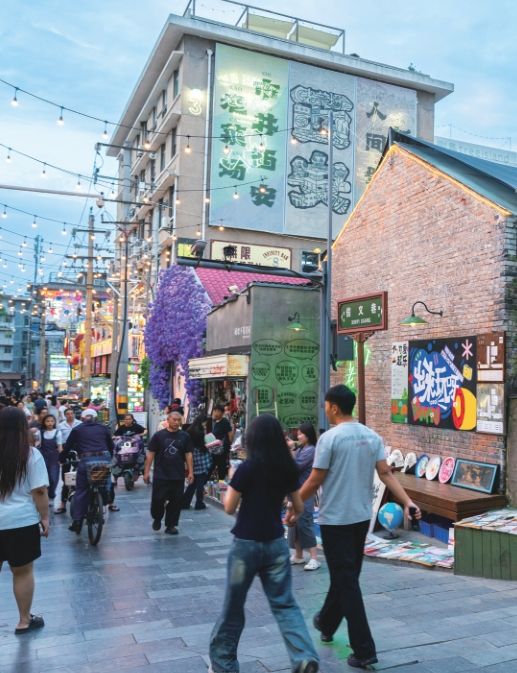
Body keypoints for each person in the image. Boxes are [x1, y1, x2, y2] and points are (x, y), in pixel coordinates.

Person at [286, 385, 421, 670]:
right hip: (360, 519)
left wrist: (295, 505)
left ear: (334, 407)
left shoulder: (330, 438)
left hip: (336, 520)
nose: (324, 409)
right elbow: (386, 474)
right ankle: (326, 621)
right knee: (346, 577)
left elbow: (315, 479)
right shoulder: (372, 436)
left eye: (326, 405)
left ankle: (364, 649)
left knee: (346, 581)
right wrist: (408, 501)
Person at [209, 414, 319, 673]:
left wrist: (232, 480)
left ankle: (223, 664)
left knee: (233, 607)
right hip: (275, 544)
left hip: (245, 545)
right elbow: (298, 506)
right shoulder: (287, 468)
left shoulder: (246, 468)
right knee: (285, 604)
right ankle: (303, 657)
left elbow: (229, 507)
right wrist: (291, 515)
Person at [0, 407, 49, 634]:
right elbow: (39, 491)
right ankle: (23, 620)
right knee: (22, 572)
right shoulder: (30, 455)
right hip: (21, 522)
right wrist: (45, 517)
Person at [63, 408, 115, 533]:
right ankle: (106, 495)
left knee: (81, 489)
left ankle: (77, 521)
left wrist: (61, 458)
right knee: (105, 477)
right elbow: (111, 445)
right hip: (104, 458)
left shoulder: (77, 429)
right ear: (96, 418)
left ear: (82, 418)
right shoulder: (103, 428)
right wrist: (109, 457)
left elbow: (67, 447)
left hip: (86, 460)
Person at [144, 410, 193, 535]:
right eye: (174, 420)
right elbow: (150, 454)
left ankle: (171, 525)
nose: (176, 422)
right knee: (158, 500)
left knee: (176, 501)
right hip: (161, 474)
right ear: (168, 420)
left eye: (178, 420)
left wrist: (190, 472)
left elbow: (188, 454)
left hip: (178, 475)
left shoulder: (185, 436)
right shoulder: (158, 436)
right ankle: (157, 517)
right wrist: (146, 472)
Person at [288, 421, 320, 571]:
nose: (298, 436)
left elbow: (295, 467)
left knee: (305, 523)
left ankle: (314, 558)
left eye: (301, 434)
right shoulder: (302, 448)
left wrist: (288, 451)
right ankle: (298, 555)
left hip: (305, 491)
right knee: (295, 525)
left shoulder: (310, 450)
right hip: (296, 491)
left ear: (308, 435)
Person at [182, 415, 212, 511]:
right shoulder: (200, 432)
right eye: (205, 423)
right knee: (200, 482)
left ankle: (185, 502)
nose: (205, 425)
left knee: (193, 482)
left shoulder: (189, 430)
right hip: (201, 458)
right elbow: (203, 446)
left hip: (192, 458)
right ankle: (199, 503)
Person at [55, 409, 82, 514]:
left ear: (74, 414)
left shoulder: (80, 423)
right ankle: (63, 503)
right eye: (68, 414)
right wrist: (62, 454)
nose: (70, 415)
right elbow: (59, 441)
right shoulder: (60, 426)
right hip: (66, 450)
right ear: (65, 415)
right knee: (66, 478)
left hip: (79, 449)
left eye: (71, 413)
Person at [39, 414, 63, 505]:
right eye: (47, 421)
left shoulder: (58, 433)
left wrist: (61, 458)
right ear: (44, 422)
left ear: (54, 422)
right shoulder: (41, 433)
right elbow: (38, 445)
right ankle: (47, 495)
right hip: (43, 458)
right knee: (45, 478)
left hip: (54, 458)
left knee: (53, 477)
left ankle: (51, 495)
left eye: (52, 421)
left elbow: (60, 447)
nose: (50, 423)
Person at [210, 404, 233, 480]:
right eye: (214, 411)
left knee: (221, 469)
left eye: (218, 411)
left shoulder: (225, 421)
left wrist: (229, 446)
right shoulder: (215, 422)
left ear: (222, 413)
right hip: (215, 450)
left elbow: (230, 435)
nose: (215, 413)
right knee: (212, 467)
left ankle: (221, 483)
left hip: (222, 450)